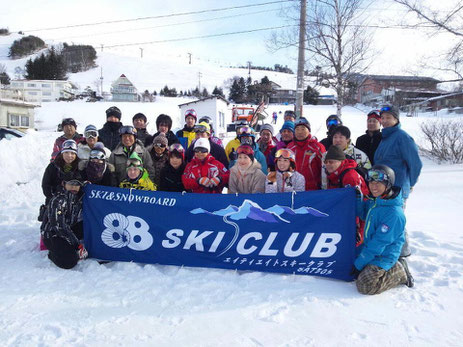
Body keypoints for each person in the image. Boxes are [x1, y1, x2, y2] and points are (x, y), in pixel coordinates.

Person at [351, 165, 414, 295]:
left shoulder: (394, 214)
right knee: (346, 262)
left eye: (379, 182)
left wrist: (359, 264)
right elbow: (364, 215)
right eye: (371, 182)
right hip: (371, 250)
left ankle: (399, 270)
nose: (373, 186)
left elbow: (378, 243)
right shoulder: (377, 201)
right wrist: (358, 198)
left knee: (365, 285)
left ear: (388, 183)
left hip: (384, 255)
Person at [374, 104, 422, 258]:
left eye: (389, 118)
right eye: (383, 118)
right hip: (384, 188)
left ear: (396, 119)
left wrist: (411, 184)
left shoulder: (402, 137)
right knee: (387, 220)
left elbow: (415, 163)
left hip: (398, 188)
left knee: (396, 220)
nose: (385, 121)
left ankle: (403, 252)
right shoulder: (385, 137)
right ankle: (390, 249)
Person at [324, 145, 369, 246]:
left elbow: (357, 202)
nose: (328, 165)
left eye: (331, 162)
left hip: (360, 215)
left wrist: (356, 227)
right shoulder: (333, 174)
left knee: (354, 244)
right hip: (343, 213)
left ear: (340, 161)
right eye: (326, 162)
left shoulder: (350, 176)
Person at [40, 176, 88, 269]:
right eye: (71, 184)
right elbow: (58, 226)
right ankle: (53, 253)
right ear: (64, 184)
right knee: (69, 262)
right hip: (53, 234)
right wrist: (77, 245)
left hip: (68, 229)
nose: (74, 187)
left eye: (77, 185)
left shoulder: (77, 197)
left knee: (88, 225)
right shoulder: (58, 199)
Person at [287, 117, 325, 191]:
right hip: (293, 189)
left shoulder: (317, 147)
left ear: (309, 130)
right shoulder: (290, 147)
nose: (300, 132)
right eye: (297, 129)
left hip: (313, 190)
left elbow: (325, 169)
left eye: (303, 129)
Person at [42, 139, 80, 205]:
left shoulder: (80, 167)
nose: (69, 156)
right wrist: (62, 188)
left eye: (72, 153)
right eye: (66, 152)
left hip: (74, 203)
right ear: (62, 153)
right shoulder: (53, 167)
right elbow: (46, 186)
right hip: (54, 202)